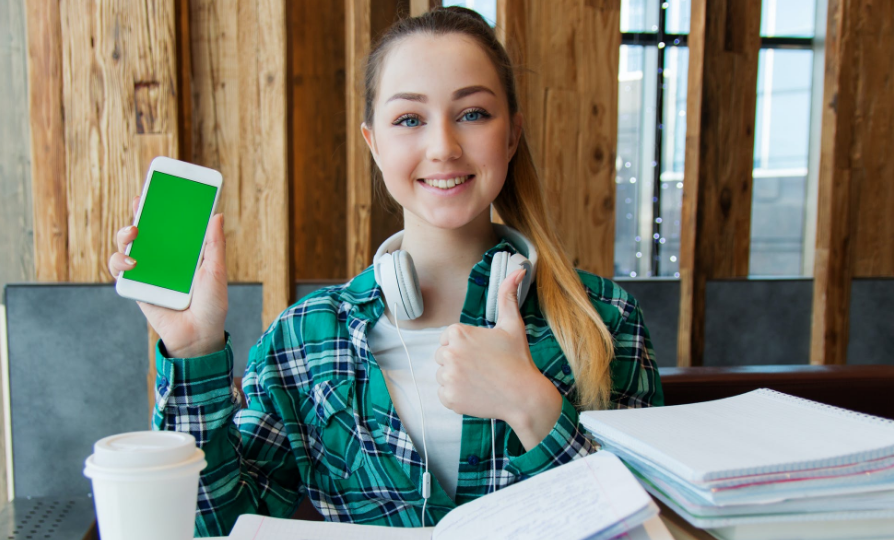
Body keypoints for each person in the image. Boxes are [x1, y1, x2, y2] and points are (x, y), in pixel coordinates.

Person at [108, 6, 662, 537]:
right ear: (374, 143)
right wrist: (193, 348)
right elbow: (209, 528)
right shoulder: (308, 338)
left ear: (511, 135)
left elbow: (652, 529)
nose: (443, 146)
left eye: (472, 114)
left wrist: (531, 405)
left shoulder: (605, 320)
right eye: (409, 119)